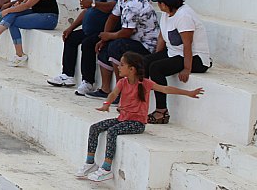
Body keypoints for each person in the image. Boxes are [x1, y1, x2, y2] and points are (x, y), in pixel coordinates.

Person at [76, 52, 204, 182]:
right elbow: (113, 94)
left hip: (137, 123)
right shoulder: (122, 82)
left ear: (132, 69)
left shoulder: (145, 83)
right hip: (123, 119)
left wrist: (189, 93)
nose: (118, 67)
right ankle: (90, 162)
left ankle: (106, 168)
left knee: (112, 131)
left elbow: (165, 89)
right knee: (95, 127)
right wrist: (106, 104)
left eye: (122, 65)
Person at [86, 0, 160, 100]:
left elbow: (126, 32)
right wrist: (105, 37)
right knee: (105, 45)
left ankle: (122, 93)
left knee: (116, 46)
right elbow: (113, 17)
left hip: (147, 47)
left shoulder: (134, 4)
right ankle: (105, 89)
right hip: (133, 40)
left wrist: (108, 36)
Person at [48, 0, 118, 95]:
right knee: (71, 37)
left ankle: (88, 82)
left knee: (87, 44)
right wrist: (71, 27)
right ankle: (67, 75)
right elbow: (86, 11)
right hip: (88, 29)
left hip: (102, 30)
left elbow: (111, 5)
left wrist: (92, 3)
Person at [144, 0, 211, 124]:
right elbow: (162, 37)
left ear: (165, 4)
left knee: (156, 68)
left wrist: (187, 68)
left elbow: (187, 44)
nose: (158, 5)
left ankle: (161, 112)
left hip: (195, 58)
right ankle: (140, 102)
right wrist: (157, 55)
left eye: (160, 2)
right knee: (144, 62)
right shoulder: (166, 13)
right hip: (174, 53)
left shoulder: (184, 16)